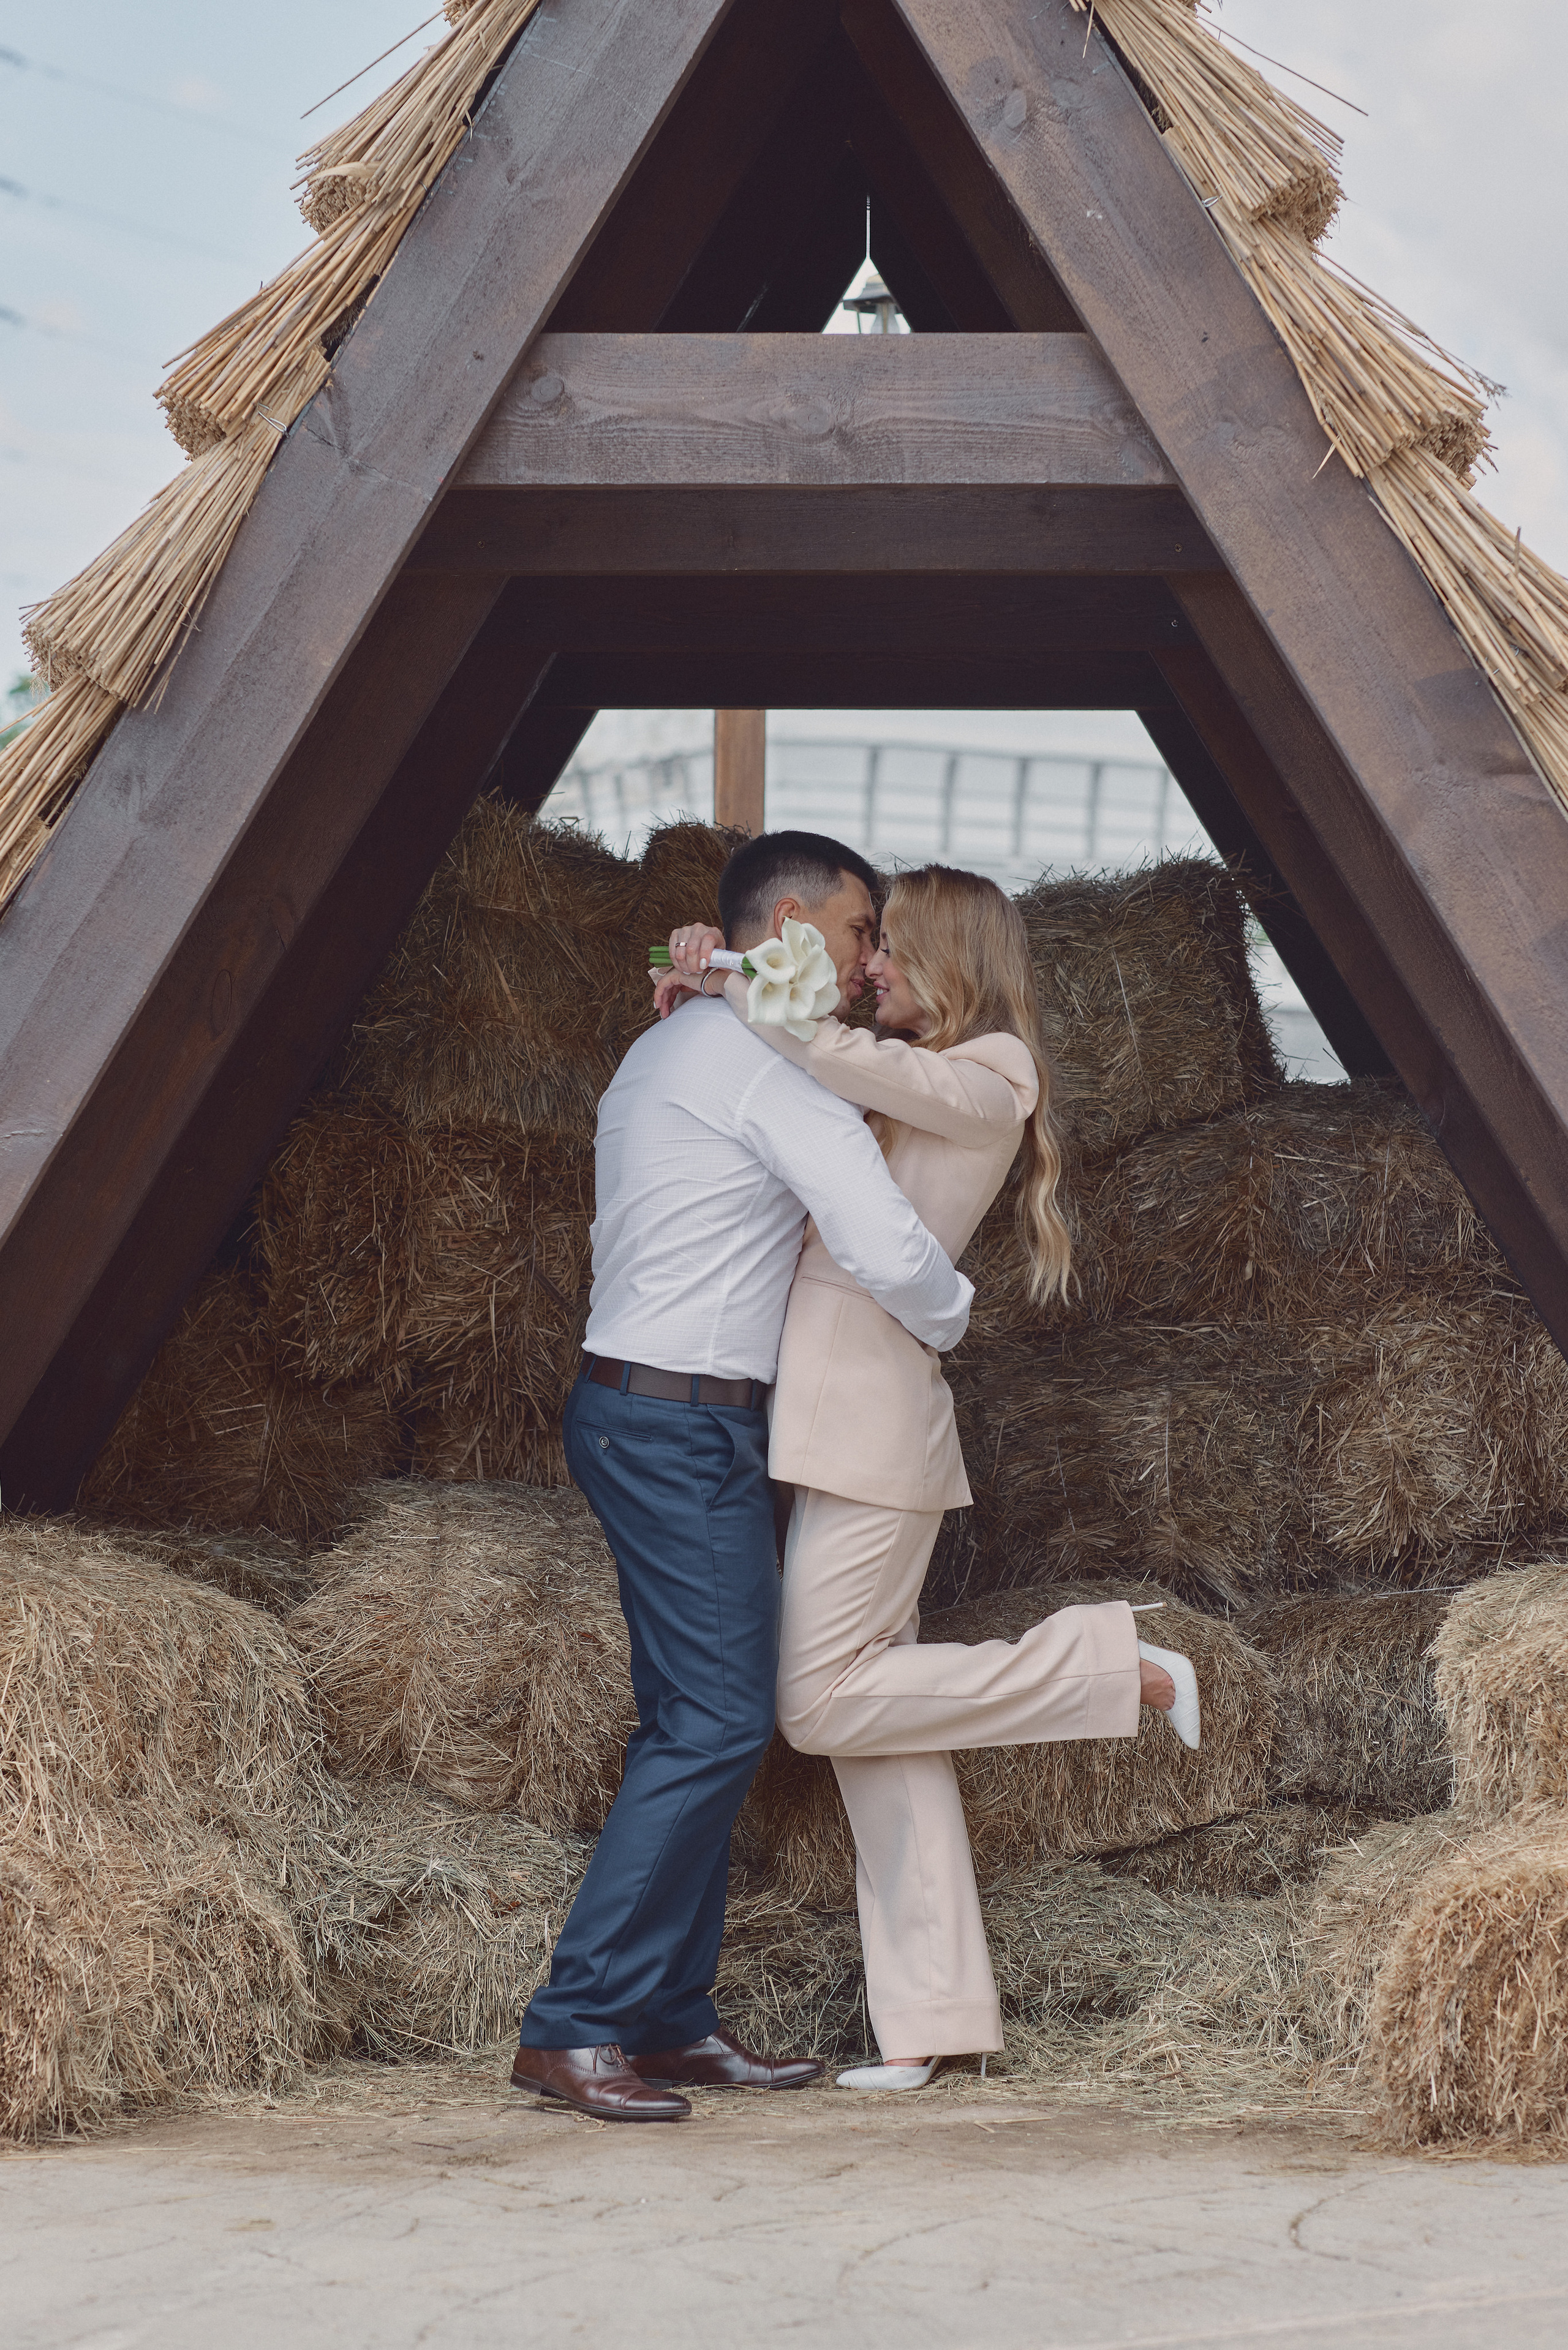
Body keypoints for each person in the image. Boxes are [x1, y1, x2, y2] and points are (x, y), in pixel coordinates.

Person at [659, 864, 1199, 2091]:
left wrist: (744, 987)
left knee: (820, 1703)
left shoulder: (993, 1073)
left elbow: (840, 1056)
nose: (872, 967)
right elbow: (817, 1060)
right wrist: (709, 967)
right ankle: (931, 2015)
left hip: (872, 1431)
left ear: (953, 958)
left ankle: (1120, 1665)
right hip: (827, 1426)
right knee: (881, 1732)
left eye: (893, 947)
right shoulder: (903, 1068)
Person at [511, 832, 976, 2122]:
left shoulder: (675, 1041)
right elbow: (882, 1237)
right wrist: (952, 1316)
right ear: (790, 927)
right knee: (715, 1718)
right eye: (858, 931)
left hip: (647, 1411)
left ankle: (665, 2017)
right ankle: (575, 2023)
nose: (868, 961)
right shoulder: (762, 1059)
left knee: (694, 1715)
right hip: (677, 1422)